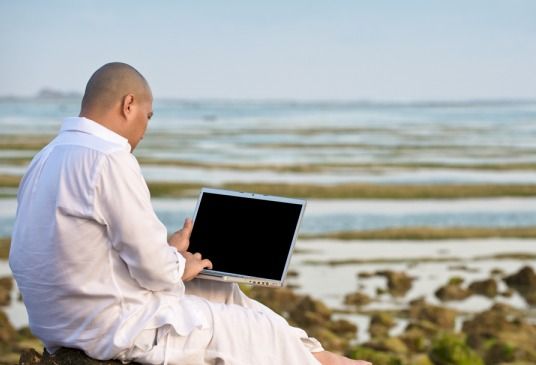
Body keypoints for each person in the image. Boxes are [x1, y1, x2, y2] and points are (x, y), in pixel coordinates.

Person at [9, 62, 372, 365]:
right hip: (112, 327)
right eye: (147, 117)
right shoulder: (108, 158)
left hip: (64, 319)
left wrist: (173, 256)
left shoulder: (46, 158)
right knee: (257, 329)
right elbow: (153, 269)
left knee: (222, 294)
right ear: (128, 105)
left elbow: (81, 250)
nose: (144, 130)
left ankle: (319, 355)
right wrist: (177, 264)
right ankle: (324, 361)